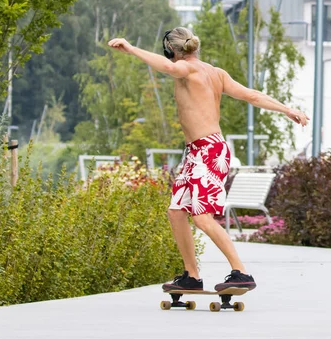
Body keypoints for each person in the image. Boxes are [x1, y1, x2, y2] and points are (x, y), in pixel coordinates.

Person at [108, 27, 309, 292]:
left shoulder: (188, 69)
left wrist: (131, 48)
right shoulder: (216, 73)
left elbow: (168, 69)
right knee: (177, 212)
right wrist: (287, 109)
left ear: (171, 51)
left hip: (209, 151)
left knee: (202, 218)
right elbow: (252, 95)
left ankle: (241, 272)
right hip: (195, 152)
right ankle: (191, 276)